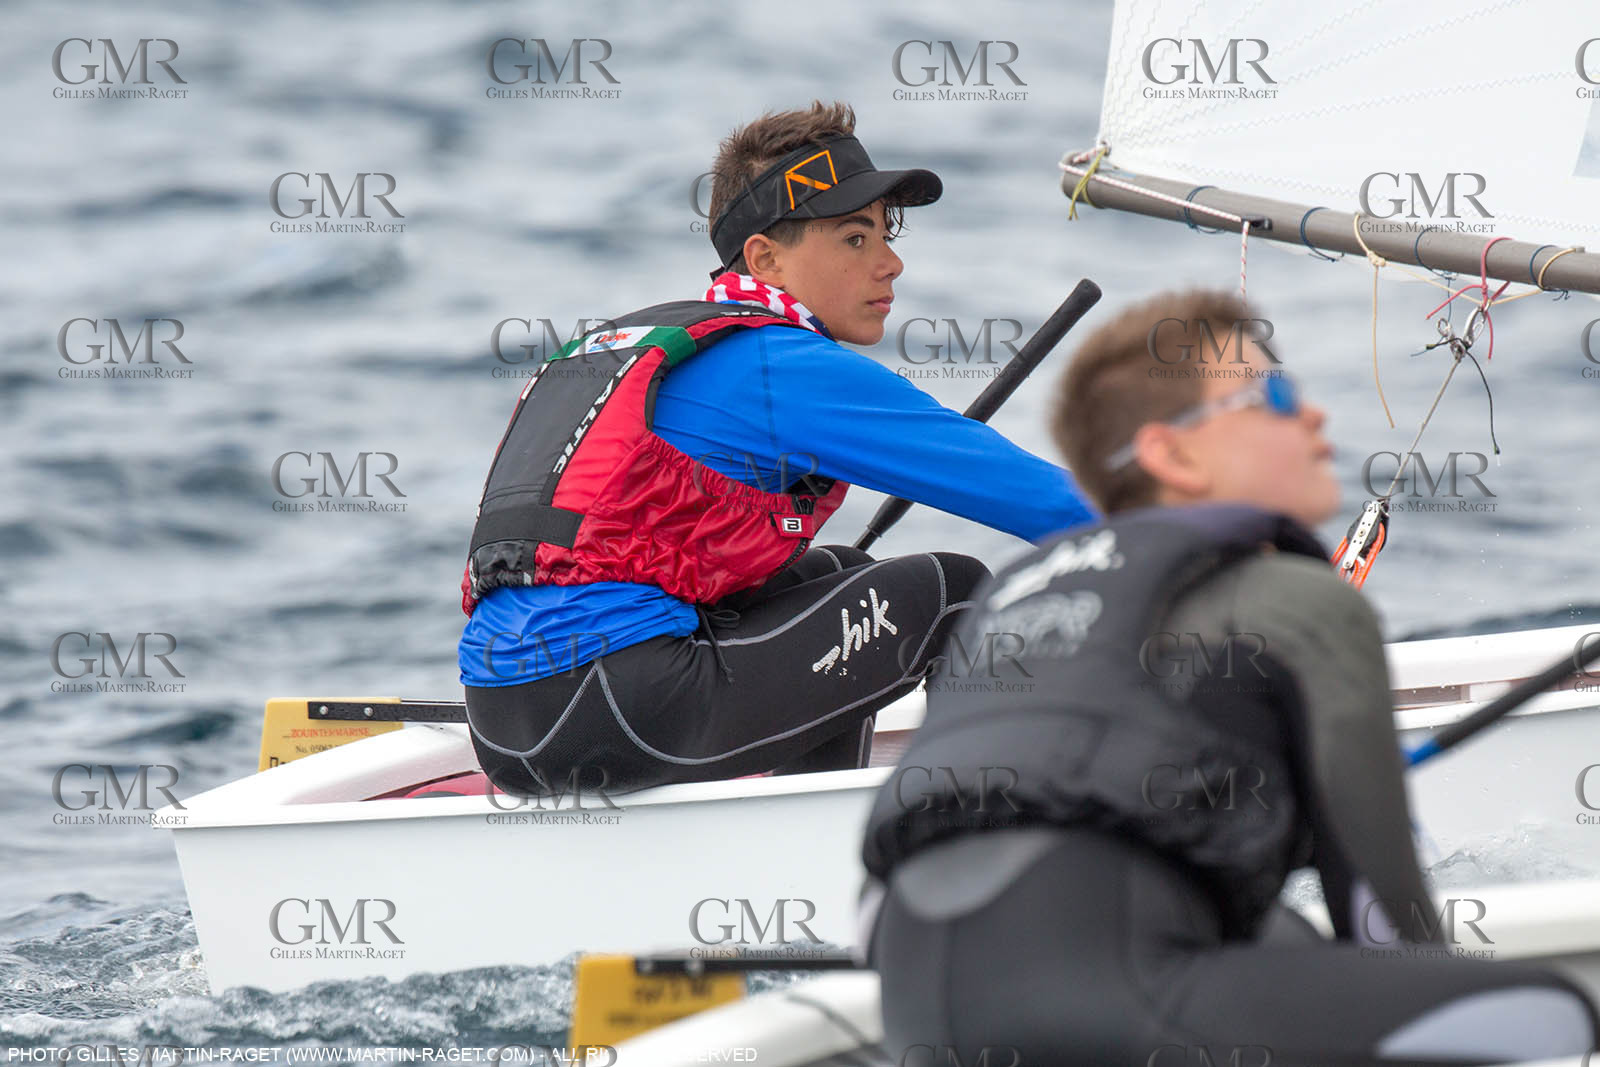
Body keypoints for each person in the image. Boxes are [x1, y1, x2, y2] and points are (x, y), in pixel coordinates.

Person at [859, 290, 1599, 1066]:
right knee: (1549, 1010)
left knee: (1281, 935)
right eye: (1270, 395)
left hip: (916, 1012)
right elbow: (1383, 927)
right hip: (1113, 1006)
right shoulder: (1298, 602)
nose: (1310, 414)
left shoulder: (1010, 597)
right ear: (1173, 454)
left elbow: (881, 904)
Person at [456, 101, 1098, 796]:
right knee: (956, 593)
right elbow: (1025, 492)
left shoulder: (626, 346)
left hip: (501, 723)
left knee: (836, 572)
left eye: (886, 234)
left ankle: (803, 832)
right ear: (767, 259)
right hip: (624, 709)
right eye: (856, 239)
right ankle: (971, 848)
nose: (891, 263)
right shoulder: (777, 364)